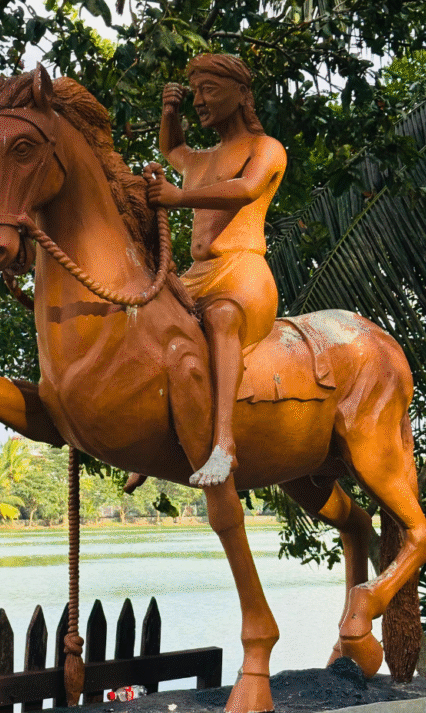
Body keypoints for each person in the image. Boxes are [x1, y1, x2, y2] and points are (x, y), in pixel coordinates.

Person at [147, 53, 287, 487]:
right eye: (196, 94)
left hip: (242, 272)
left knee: (222, 318)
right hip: (196, 275)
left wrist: (176, 199)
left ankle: (224, 444)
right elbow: (172, 149)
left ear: (242, 94)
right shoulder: (199, 159)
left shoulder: (266, 149)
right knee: (145, 320)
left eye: (209, 90)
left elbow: (245, 190)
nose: (201, 102)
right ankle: (152, 435)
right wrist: (170, 112)